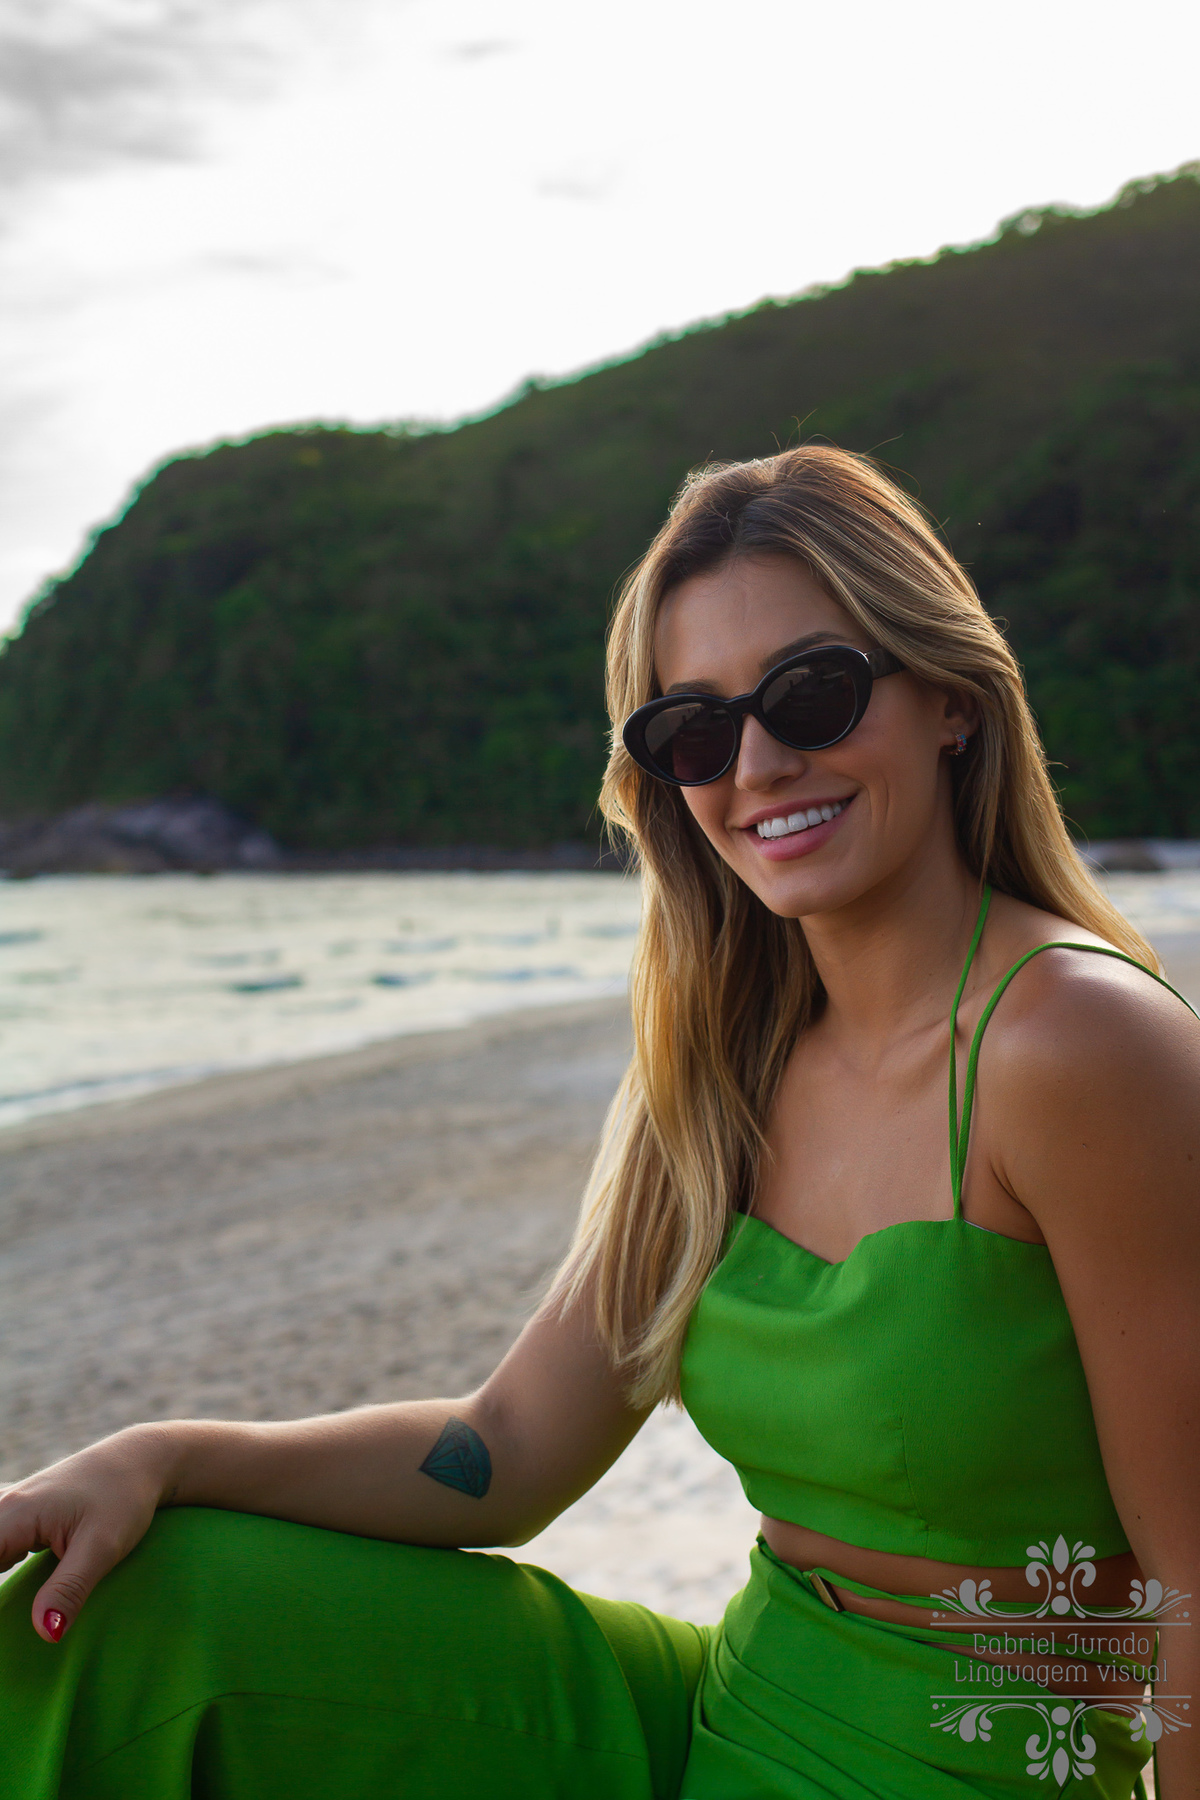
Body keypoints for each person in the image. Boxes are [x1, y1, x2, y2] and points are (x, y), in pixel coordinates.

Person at [0, 446, 1196, 1800]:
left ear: (953, 701)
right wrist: (163, 1456)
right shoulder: (725, 1070)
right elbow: (506, 1450)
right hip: (715, 1713)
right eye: (695, 730)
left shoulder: (1080, 1048)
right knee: (146, 1612)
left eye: (812, 691)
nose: (757, 763)